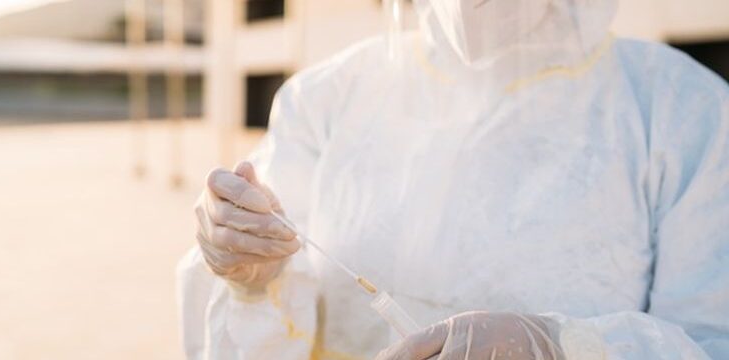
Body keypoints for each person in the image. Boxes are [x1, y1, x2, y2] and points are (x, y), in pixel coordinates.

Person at [179, 0, 729, 358]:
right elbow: (245, 320)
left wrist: (564, 347)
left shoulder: (684, 111)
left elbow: (713, 341)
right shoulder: (325, 98)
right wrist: (255, 282)